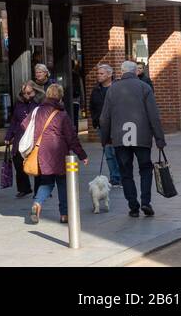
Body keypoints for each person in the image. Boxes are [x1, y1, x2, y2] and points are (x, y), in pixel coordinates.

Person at [99, 61, 166, 217]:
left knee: (126, 172)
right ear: (136, 71)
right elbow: (154, 116)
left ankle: (133, 206)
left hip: (120, 138)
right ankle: (145, 202)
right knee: (145, 169)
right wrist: (159, 139)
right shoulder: (145, 87)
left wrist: (105, 139)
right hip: (141, 137)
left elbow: (104, 118)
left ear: (121, 72)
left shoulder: (112, 89)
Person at [25, 83, 88, 225]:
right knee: (62, 183)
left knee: (46, 182)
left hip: (41, 151)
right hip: (59, 153)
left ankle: (37, 204)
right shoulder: (62, 114)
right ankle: (65, 214)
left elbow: (25, 126)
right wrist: (82, 155)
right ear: (60, 96)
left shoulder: (37, 111)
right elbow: (71, 137)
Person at [88, 64, 121, 186]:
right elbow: (92, 106)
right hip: (102, 126)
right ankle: (114, 177)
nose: (99, 76)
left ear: (109, 74)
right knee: (108, 153)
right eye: (98, 73)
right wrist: (95, 120)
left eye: (101, 74)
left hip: (116, 125)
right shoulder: (96, 90)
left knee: (117, 151)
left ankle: (121, 175)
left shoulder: (117, 88)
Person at [4, 81, 38, 197]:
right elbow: (14, 121)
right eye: (24, 93)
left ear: (34, 92)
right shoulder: (19, 104)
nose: (27, 95)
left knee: (36, 162)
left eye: (29, 93)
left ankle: (40, 188)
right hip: (20, 136)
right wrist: (8, 136)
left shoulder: (38, 103)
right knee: (18, 161)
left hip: (34, 137)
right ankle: (24, 188)